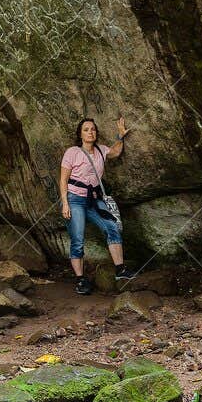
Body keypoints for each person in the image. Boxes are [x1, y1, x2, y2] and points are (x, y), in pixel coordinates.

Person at [60, 116, 133, 295]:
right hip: (75, 198)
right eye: (86, 129)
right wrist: (65, 203)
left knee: (112, 226)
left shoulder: (101, 150)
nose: (90, 132)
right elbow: (63, 179)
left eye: (92, 129)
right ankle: (80, 280)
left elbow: (115, 152)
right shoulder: (72, 152)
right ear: (80, 134)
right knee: (77, 239)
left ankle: (120, 270)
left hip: (94, 199)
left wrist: (120, 136)